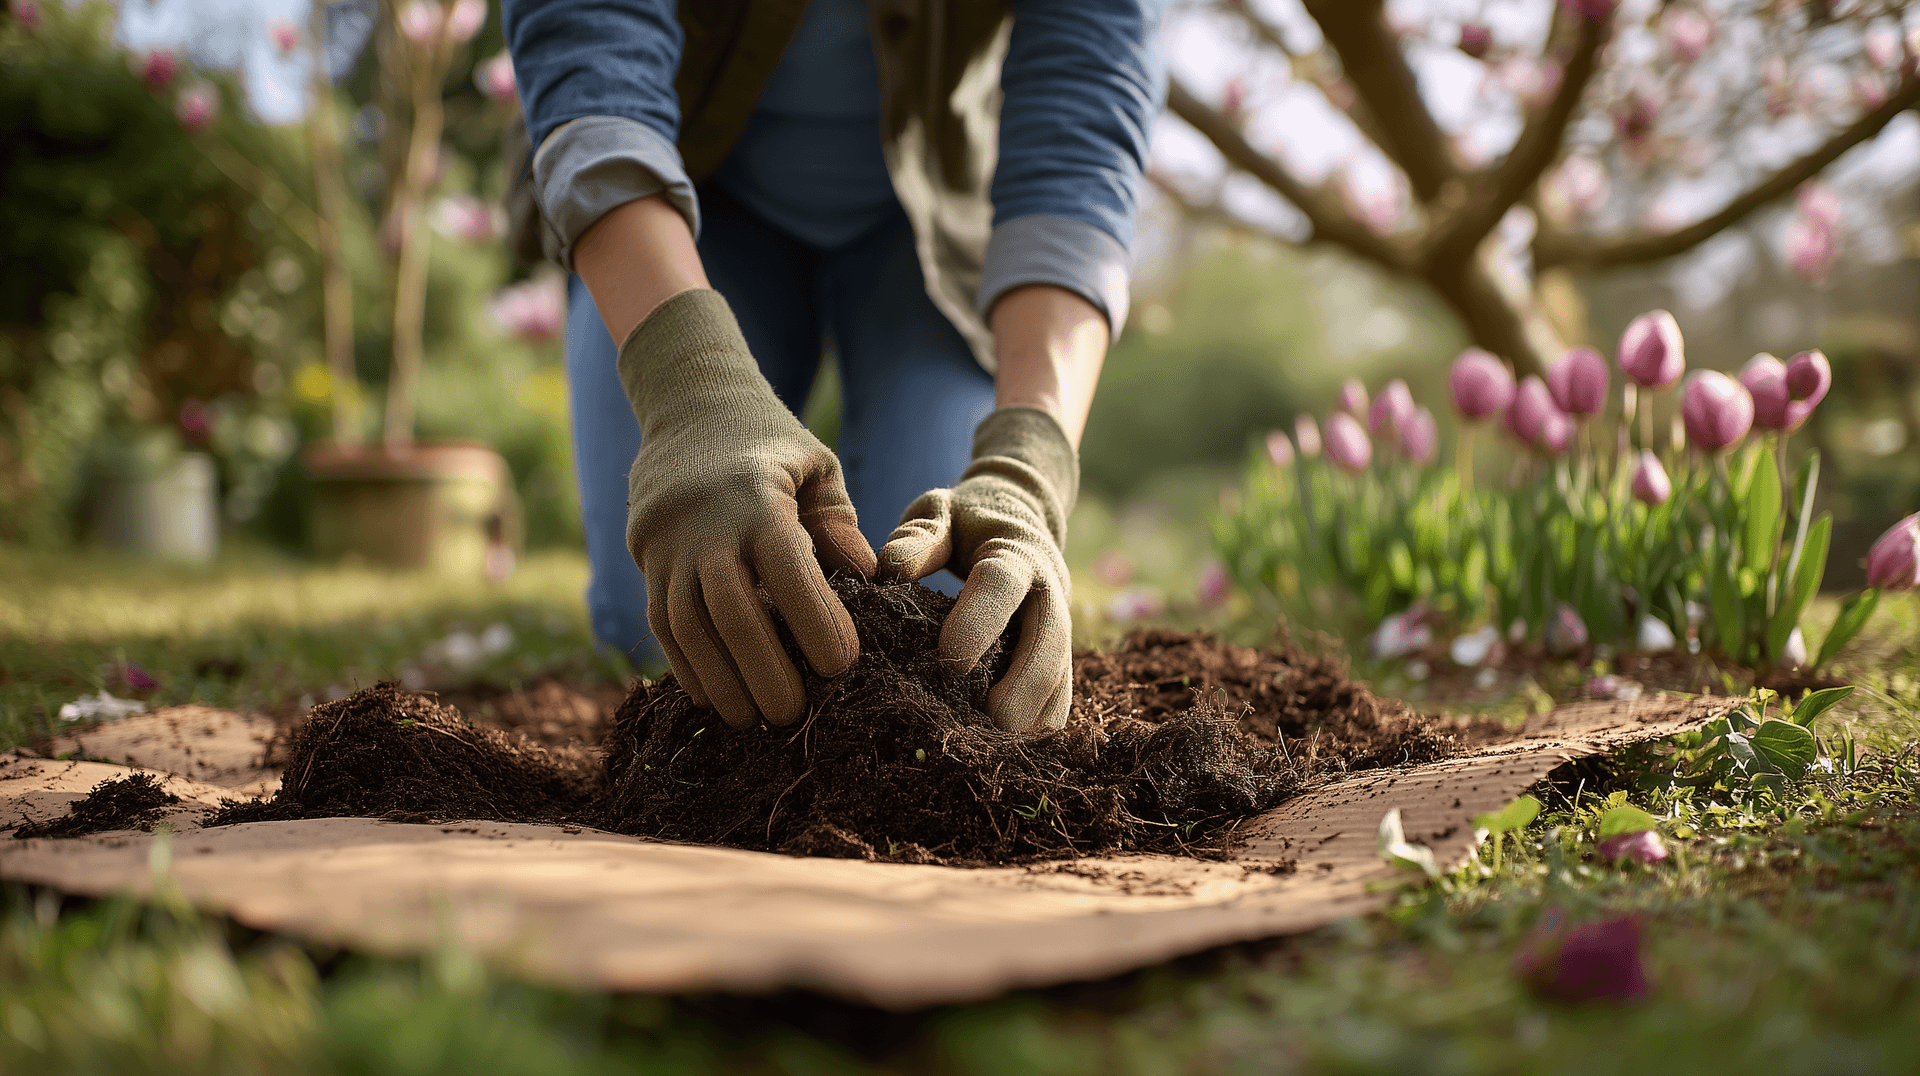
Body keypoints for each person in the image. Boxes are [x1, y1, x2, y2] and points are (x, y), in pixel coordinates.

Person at [501, 0, 1165, 733]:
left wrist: (1027, 469)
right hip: (686, 198)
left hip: (926, 234)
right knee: (674, 607)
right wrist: (687, 386)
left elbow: (1082, 124)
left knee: (946, 614)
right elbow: (591, 47)